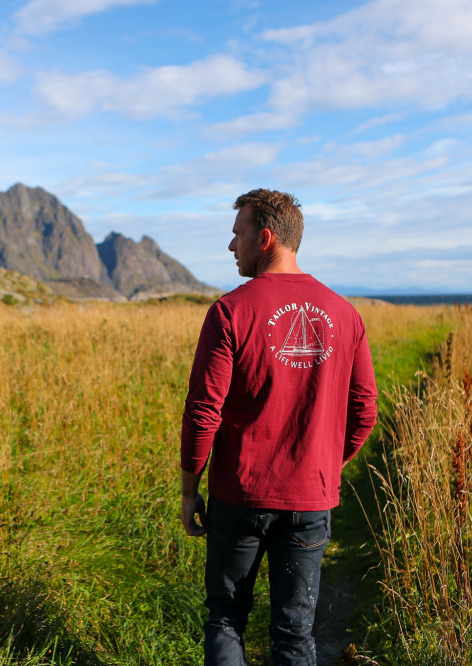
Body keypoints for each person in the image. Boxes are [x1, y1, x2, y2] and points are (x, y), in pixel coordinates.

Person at [180, 188, 378, 665]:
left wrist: (190, 489)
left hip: (240, 495)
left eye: (237, 235)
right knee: (294, 633)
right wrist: (326, 464)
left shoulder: (230, 311)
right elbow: (365, 408)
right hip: (311, 496)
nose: (232, 246)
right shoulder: (345, 314)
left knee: (227, 617)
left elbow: (204, 410)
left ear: (265, 237)